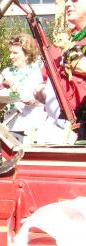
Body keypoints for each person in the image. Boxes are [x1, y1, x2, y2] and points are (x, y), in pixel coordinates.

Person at [35, 0, 86, 143]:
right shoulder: (61, 42)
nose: (68, 4)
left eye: (75, 0)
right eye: (66, 1)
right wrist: (40, 91)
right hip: (59, 128)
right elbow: (43, 80)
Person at [0, 33, 46, 144]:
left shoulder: (37, 71)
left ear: (27, 54)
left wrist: (12, 91)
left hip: (32, 127)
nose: (11, 56)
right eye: (10, 52)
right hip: (10, 126)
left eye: (15, 53)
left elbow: (30, 99)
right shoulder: (6, 72)